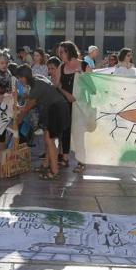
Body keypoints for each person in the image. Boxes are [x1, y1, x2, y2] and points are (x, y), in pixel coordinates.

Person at [16, 65, 69, 180]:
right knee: (47, 140)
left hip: (56, 109)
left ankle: (54, 171)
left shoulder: (36, 86)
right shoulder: (38, 79)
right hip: (53, 109)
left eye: (20, 78)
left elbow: (27, 108)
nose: (19, 81)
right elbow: (31, 100)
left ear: (24, 77)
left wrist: (18, 120)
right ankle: (46, 165)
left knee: (50, 141)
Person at [56, 40, 92, 172]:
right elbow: (57, 85)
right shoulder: (61, 66)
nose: (60, 55)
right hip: (65, 105)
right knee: (65, 131)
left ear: (69, 51)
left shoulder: (84, 65)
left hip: (80, 105)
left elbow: (93, 88)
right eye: (59, 52)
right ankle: (65, 159)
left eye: (62, 52)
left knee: (79, 134)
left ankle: (81, 162)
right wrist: (65, 93)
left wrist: (81, 78)